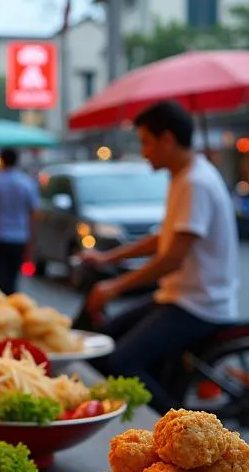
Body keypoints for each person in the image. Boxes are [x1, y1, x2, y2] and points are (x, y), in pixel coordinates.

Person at [82, 100, 239, 411]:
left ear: (167, 139)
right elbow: (163, 237)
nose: (144, 152)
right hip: (177, 297)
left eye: (145, 142)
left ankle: (179, 432)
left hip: (198, 305)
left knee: (122, 360)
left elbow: (171, 258)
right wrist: (108, 258)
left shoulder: (195, 182)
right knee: (105, 339)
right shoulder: (183, 176)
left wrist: (115, 287)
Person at [0, 147, 38, 295]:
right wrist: (32, 241)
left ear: (2, 161)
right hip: (18, 238)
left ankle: (1, 308)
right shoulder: (26, 183)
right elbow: (33, 213)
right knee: (12, 279)